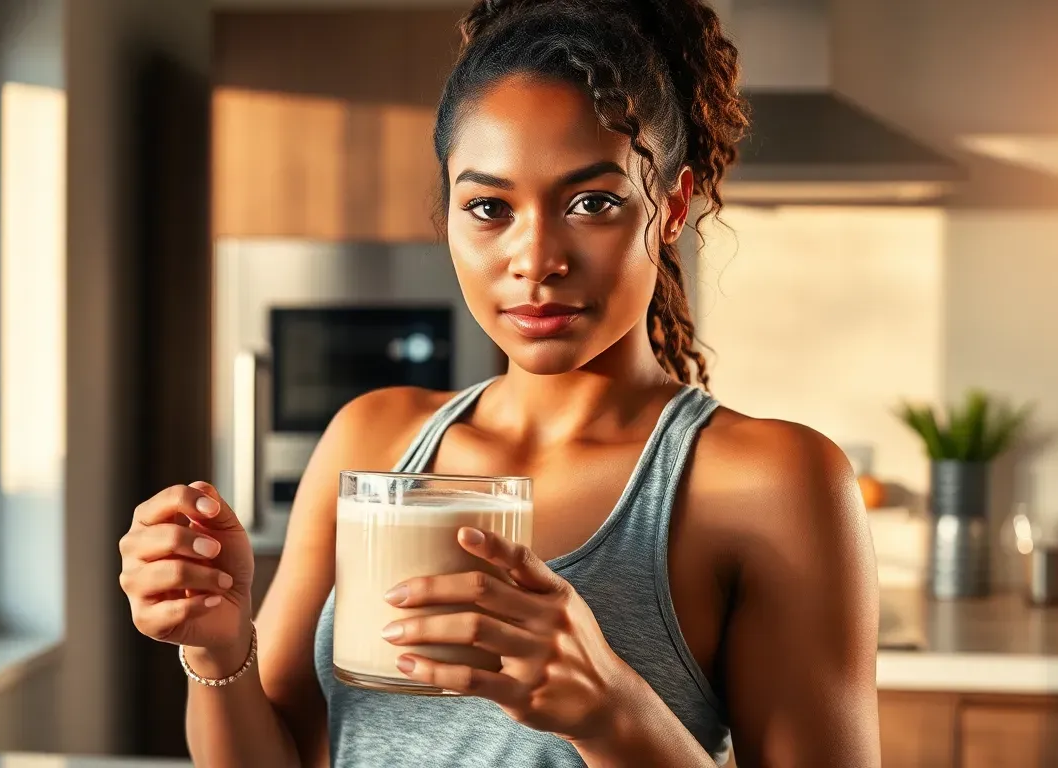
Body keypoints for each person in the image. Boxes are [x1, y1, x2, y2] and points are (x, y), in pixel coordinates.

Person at [117, 0, 880, 765]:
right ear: (447, 213)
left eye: (593, 202)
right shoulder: (374, 437)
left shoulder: (768, 482)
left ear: (672, 207)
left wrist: (609, 707)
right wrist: (217, 649)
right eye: (489, 206)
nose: (535, 258)